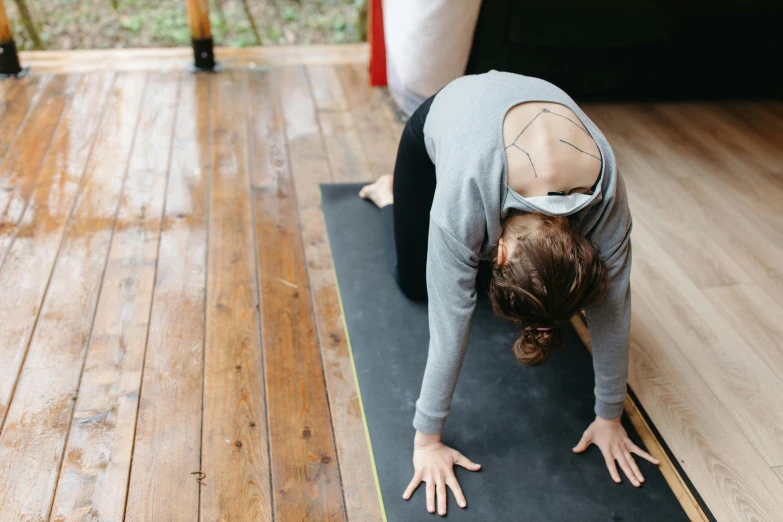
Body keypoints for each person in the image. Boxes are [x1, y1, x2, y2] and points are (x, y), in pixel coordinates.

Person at [359, 71, 660, 516]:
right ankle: (390, 197)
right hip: (444, 118)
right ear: (496, 251)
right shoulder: (465, 195)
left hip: (513, 131)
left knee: (489, 278)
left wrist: (609, 416)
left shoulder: (606, 193)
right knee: (416, 285)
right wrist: (427, 441)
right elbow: (449, 324)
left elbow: (612, 306)